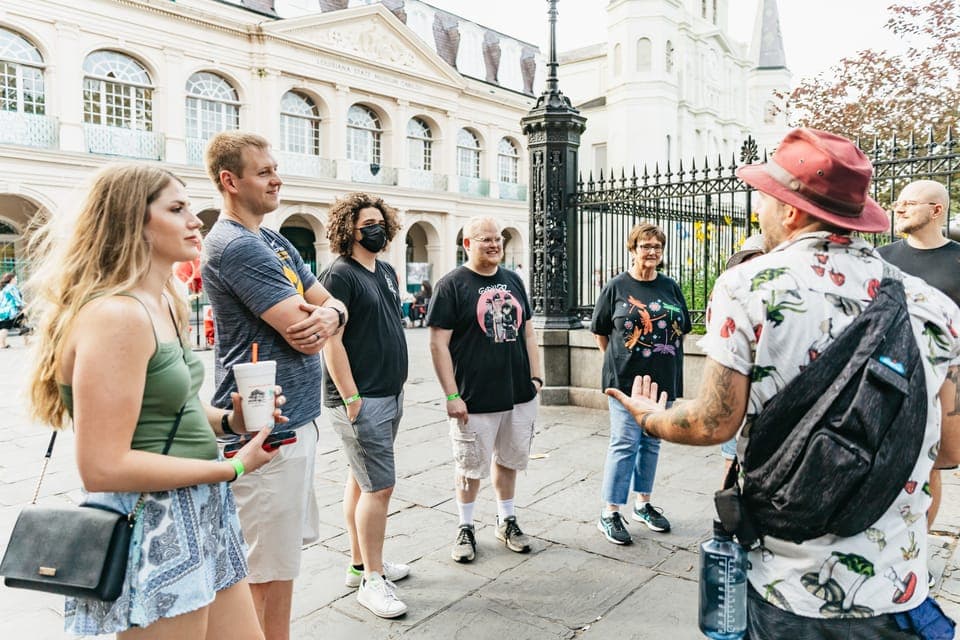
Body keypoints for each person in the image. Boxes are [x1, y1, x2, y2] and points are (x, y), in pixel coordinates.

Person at [607, 128, 960, 637]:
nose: (759, 212)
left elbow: (712, 422)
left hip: (792, 587)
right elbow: (948, 451)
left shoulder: (751, 286)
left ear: (791, 210)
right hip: (897, 590)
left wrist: (651, 418)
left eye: (764, 199)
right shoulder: (935, 306)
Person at [25, 163, 287, 638]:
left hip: (201, 510)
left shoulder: (165, 301)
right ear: (133, 221)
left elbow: (179, 408)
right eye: (176, 208)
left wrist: (233, 421)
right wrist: (234, 467)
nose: (196, 220)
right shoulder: (116, 316)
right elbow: (103, 466)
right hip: (151, 521)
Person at [201, 131, 347, 640]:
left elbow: (330, 305)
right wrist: (327, 318)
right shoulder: (236, 245)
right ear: (230, 181)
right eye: (263, 172)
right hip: (265, 428)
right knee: (261, 570)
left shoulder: (273, 238)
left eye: (274, 168)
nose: (276, 178)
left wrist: (330, 315)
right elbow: (303, 332)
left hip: (294, 418)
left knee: (280, 561)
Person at [427, 216, 543, 563]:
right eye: (485, 239)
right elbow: (437, 344)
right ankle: (465, 527)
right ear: (467, 244)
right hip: (474, 396)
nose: (494, 245)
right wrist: (451, 394)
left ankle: (506, 519)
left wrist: (536, 378)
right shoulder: (452, 285)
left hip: (518, 393)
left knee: (509, 459)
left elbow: (529, 332)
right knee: (469, 466)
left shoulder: (513, 281)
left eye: (498, 239)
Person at [319, 193, 410, 618]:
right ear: (348, 231)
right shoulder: (339, 275)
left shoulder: (385, 270)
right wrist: (351, 396)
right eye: (366, 224)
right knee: (379, 487)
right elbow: (330, 341)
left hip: (389, 391)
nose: (376, 229)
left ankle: (362, 565)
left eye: (379, 222)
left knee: (361, 480)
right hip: (362, 398)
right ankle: (374, 580)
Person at [591, 223, 691, 545]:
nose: (652, 252)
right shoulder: (617, 287)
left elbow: (682, 328)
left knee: (651, 442)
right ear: (632, 249)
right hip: (625, 382)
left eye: (657, 247)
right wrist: (621, 362)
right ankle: (610, 512)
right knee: (624, 442)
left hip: (663, 380)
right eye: (645, 246)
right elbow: (601, 332)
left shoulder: (670, 287)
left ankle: (643, 504)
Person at [879, 180, 960, 538]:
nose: (899, 208)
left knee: (931, 465)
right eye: (898, 202)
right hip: (887, 376)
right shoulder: (881, 257)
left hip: (943, 382)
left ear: (937, 210)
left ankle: (918, 546)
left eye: (910, 203)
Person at [718, 233, 765, 482]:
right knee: (730, 459)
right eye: (747, 261)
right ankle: (728, 514)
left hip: (767, 399)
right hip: (736, 392)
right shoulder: (732, 299)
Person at [0, 272, 28, 348]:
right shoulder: (12, 287)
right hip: (12, 311)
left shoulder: (3, 288)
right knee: (20, 325)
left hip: (3, 311)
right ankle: (26, 342)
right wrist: (24, 306)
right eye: (15, 278)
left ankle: (2, 344)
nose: (16, 280)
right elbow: (17, 299)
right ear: (11, 279)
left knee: (5, 327)